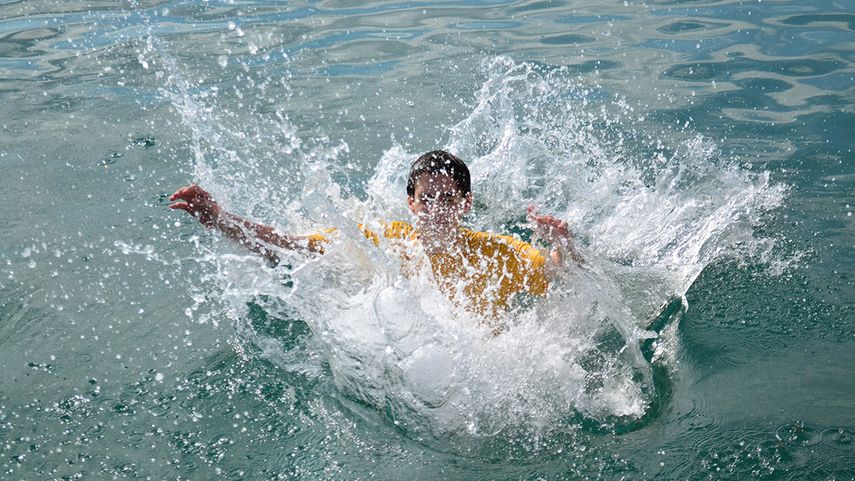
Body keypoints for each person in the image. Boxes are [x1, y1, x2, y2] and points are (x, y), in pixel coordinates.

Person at [169, 150, 580, 318]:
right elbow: (290, 245)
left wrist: (563, 243)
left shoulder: (497, 253)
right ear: (411, 203)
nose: (437, 208)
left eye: (448, 199)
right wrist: (221, 219)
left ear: (466, 204)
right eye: (428, 198)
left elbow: (561, 278)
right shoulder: (383, 239)